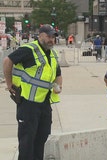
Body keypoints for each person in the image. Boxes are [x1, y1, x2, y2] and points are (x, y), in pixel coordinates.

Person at [3, 24, 62, 160]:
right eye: (48, 36)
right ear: (40, 35)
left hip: (45, 104)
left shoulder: (52, 53)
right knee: (27, 142)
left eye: (53, 37)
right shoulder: (29, 50)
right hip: (28, 104)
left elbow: (58, 73)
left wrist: (59, 85)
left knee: (42, 140)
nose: (51, 39)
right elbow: (7, 61)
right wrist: (9, 83)